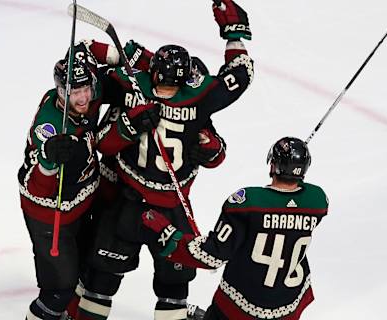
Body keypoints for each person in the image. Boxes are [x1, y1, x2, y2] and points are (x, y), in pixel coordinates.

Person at [75, 1, 255, 319]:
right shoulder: (199, 97)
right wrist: (234, 33)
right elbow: (240, 75)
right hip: (169, 207)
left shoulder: (133, 86)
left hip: (130, 205)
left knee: (104, 281)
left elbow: (92, 62)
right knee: (171, 288)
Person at [142, 137, 329, 320]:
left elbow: (213, 256)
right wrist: (293, 170)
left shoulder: (248, 203)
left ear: (272, 165)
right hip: (286, 306)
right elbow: (295, 200)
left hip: (240, 307)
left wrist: (168, 234)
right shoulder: (317, 201)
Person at [18, 39, 120, 320]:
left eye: (86, 89)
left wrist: (110, 54)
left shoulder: (89, 93)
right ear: (61, 91)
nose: (83, 98)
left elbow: (82, 47)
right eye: (75, 92)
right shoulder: (50, 125)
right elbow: (39, 185)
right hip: (49, 216)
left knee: (85, 270)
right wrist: (50, 158)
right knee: (58, 290)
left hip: (81, 206)